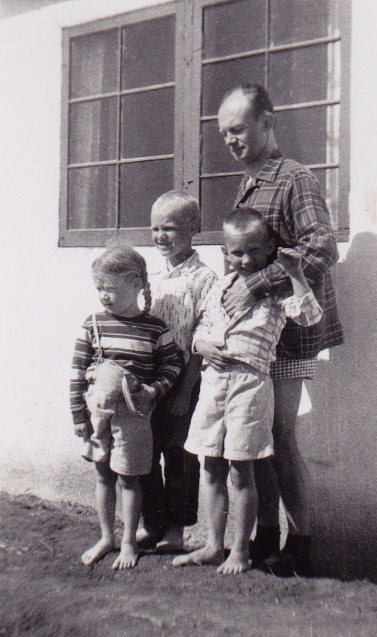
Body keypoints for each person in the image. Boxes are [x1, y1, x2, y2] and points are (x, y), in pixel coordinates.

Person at [217, 82, 344, 576]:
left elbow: (322, 249)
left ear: (268, 123)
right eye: (225, 132)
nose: (231, 139)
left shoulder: (294, 179)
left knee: (280, 436)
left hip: (290, 333)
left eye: (240, 128)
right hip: (256, 336)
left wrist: (255, 287)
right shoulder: (250, 182)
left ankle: (302, 544)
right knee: (256, 435)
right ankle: (267, 534)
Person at [172, 208, 323, 575]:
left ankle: (240, 550)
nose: (245, 259)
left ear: (270, 247)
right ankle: (213, 545)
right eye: (236, 252)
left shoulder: (274, 291)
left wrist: (295, 272)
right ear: (225, 252)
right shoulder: (220, 286)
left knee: (242, 469)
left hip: (250, 384)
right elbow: (202, 328)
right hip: (212, 382)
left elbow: (308, 316)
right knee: (210, 465)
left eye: (254, 251)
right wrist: (200, 347)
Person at [70, 247, 182, 570]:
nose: (104, 296)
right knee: (102, 474)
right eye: (100, 289)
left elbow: (172, 366)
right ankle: (107, 537)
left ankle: (130, 541)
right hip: (99, 416)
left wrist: (153, 390)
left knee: (129, 479)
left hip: (135, 417)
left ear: (135, 284)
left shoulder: (155, 329)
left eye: (111, 288)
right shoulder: (92, 324)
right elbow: (78, 372)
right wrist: (79, 415)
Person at [137, 191, 216, 552]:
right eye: (154, 228)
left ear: (193, 228)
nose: (160, 236)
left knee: (180, 455)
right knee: (146, 451)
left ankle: (176, 529)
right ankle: (152, 522)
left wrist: (185, 389)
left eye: (169, 228)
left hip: (186, 380)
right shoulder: (150, 276)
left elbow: (202, 336)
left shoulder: (205, 278)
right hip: (151, 381)